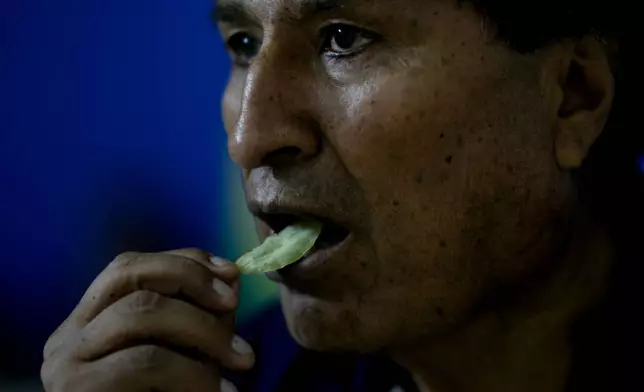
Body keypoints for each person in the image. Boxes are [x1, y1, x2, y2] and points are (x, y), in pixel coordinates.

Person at [41, 0, 640, 391]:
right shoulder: (237, 377)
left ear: (573, 97)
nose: (250, 138)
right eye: (243, 46)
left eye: (343, 39)